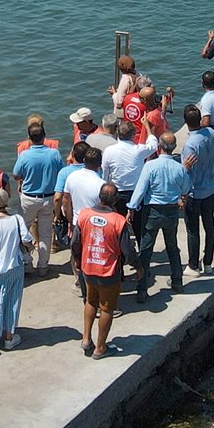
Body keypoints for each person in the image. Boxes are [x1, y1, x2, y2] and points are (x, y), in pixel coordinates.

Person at [128, 133, 188, 302]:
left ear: (160, 146)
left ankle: (142, 289)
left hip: (152, 211)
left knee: (146, 251)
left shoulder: (150, 166)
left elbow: (140, 190)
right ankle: (177, 282)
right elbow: (186, 188)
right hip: (171, 211)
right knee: (172, 247)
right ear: (174, 147)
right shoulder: (180, 168)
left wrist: (131, 208)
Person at [76, 183, 128, 359]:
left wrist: (78, 261)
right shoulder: (119, 221)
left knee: (90, 302)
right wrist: (138, 267)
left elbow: (75, 242)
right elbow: (127, 249)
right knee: (106, 308)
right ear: (115, 200)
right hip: (108, 271)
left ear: (99, 196)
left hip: (88, 267)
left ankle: (86, 339)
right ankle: (100, 348)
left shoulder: (84, 214)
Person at [0, 188, 32, 348]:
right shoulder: (16, 219)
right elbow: (27, 239)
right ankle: (9, 336)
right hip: (13, 266)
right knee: (12, 301)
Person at [10, 123, 63, 274]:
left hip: (29, 198)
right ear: (44, 136)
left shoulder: (25, 155)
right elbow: (61, 171)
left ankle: (27, 262)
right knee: (46, 232)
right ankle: (43, 266)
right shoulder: (54, 154)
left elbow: (16, 175)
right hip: (49, 197)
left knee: (22, 230)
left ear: (29, 138)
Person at [59, 146, 106, 295]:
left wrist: (70, 221)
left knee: (77, 255)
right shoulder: (101, 184)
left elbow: (66, 201)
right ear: (99, 164)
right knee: (95, 256)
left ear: (84, 160)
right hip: (95, 225)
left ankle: (80, 283)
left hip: (77, 222)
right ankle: (94, 286)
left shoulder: (72, 177)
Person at [179, 108, 214, 272]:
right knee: (209, 225)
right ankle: (208, 262)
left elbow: (188, 173)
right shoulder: (211, 133)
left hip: (194, 193)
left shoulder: (190, 145)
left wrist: (182, 193)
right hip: (210, 188)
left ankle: (193, 265)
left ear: (185, 122)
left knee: (193, 230)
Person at [101, 118, 157, 213]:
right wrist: (147, 127)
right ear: (133, 135)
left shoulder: (109, 150)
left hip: (116, 193)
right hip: (136, 193)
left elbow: (105, 173)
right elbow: (154, 145)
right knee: (137, 224)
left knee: (118, 222)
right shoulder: (139, 150)